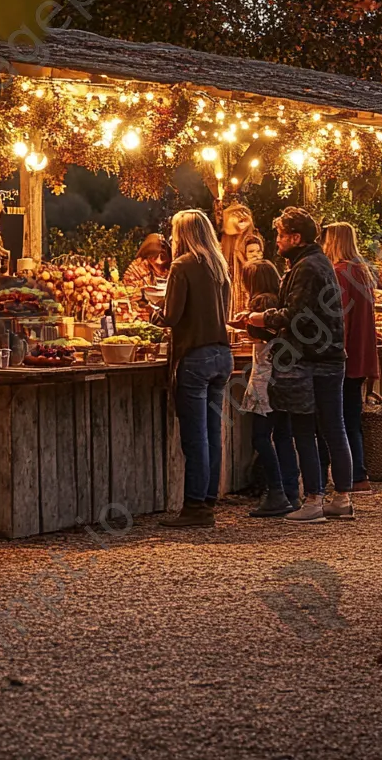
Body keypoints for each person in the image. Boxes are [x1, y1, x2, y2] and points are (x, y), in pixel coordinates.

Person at [245, 207, 355, 524]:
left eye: (280, 235)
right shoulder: (314, 263)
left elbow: (294, 315)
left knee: (305, 429)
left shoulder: (307, 267)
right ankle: (342, 498)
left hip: (309, 360)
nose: (276, 241)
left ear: (295, 237)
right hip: (330, 356)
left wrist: (261, 317)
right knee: (334, 428)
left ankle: (313, 501)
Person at [154, 210, 233, 529]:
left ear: (181, 234)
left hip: (195, 355)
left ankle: (195, 505)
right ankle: (209, 497)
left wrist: (155, 313)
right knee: (213, 432)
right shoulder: (219, 266)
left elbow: (172, 317)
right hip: (221, 354)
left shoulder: (182, 265)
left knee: (195, 435)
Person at [237, 260, 301, 517]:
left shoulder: (260, 302)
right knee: (284, 436)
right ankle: (292, 491)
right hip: (283, 376)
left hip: (264, 377)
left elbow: (259, 335)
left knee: (261, 438)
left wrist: (244, 324)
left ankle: (275, 491)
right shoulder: (280, 301)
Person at [323, 222, 380, 495]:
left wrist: (334, 353)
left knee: (337, 421)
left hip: (344, 358)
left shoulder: (340, 273)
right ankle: (359, 474)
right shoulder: (362, 272)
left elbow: (339, 319)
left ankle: (352, 476)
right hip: (360, 355)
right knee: (351, 418)